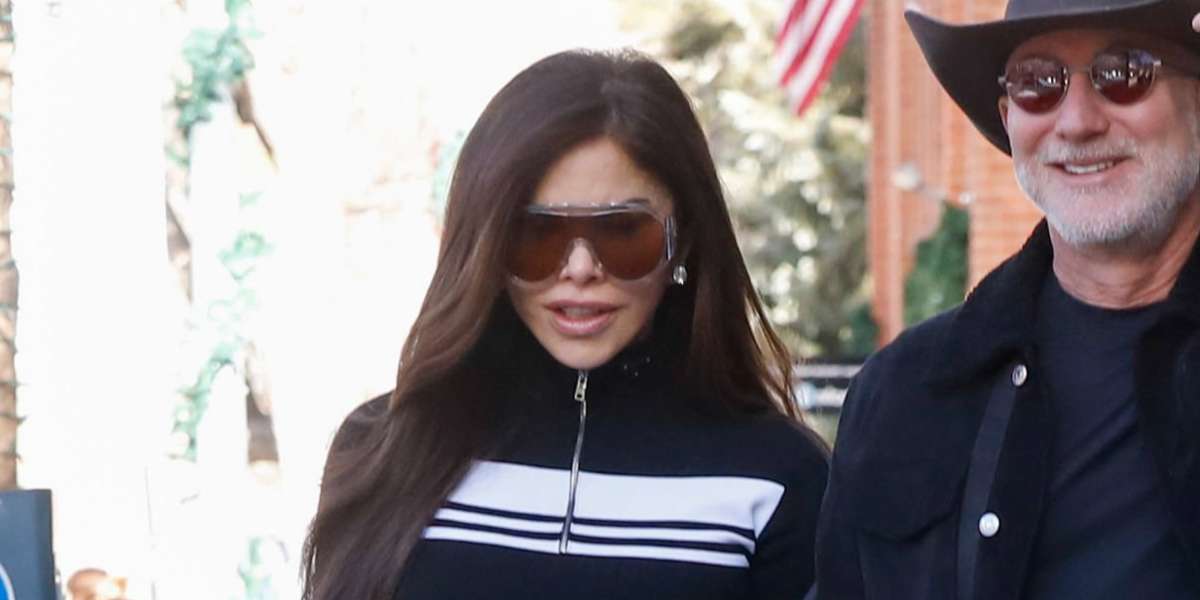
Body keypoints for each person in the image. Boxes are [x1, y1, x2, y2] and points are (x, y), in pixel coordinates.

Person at [301, 49, 829, 600]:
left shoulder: (778, 477)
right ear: (486, 245)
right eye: (537, 233)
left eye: (622, 230)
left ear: (684, 241)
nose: (580, 268)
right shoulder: (379, 451)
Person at [813, 0, 1200, 598]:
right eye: (1037, 84)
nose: (1076, 122)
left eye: (1124, 73)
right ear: (1008, 118)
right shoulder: (903, 391)